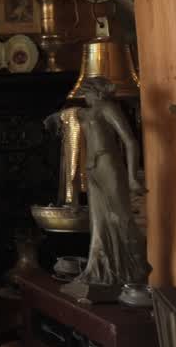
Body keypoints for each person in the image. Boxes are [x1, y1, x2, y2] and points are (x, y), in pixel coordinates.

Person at [57, 77, 150, 295]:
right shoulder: (87, 112)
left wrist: (132, 176)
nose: (85, 97)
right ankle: (99, 270)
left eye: (88, 92)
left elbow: (130, 141)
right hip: (92, 168)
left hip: (108, 164)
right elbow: (73, 116)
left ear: (98, 93)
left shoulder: (109, 108)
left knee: (119, 215)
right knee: (98, 222)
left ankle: (131, 269)